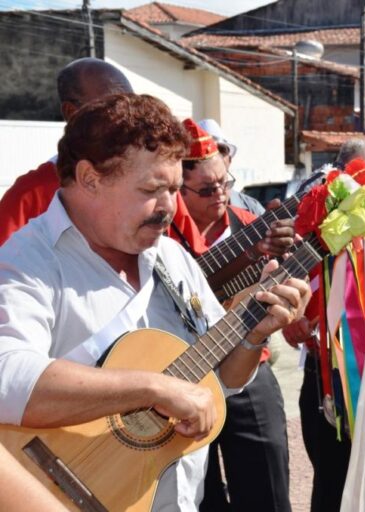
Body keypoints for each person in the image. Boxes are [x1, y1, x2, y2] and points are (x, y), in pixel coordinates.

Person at [0, 93, 310, 510]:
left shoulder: (171, 258)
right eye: (151, 189)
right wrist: (153, 388)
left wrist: (251, 335)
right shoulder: (25, 261)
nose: (168, 208)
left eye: (175, 190)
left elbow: (218, 381)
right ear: (90, 178)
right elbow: (7, 376)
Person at [282, 137, 365, 511]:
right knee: (331, 486)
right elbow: (289, 293)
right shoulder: (312, 230)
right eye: (356, 179)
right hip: (326, 380)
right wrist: (292, 320)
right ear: (337, 179)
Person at [178, 119, 294, 512]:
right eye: (208, 189)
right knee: (199, 491)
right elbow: (190, 290)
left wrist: (287, 270)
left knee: (269, 479)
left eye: (226, 184)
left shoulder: (249, 222)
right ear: (179, 189)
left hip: (249, 362)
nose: (221, 195)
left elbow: (285, 293)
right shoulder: (163, 234)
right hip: (185, 370)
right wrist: (249, 254)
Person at [0, 57, 207, 255]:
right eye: (110, 106)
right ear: (72, 112)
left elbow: (198, 259)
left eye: (130, 105)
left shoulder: (161, 186)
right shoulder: (29, 196)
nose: (127, 117)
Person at [197, 118, 266, 216]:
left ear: (229, 160)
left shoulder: (252, 208)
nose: (215, 156)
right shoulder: (175, 210)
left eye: (221, 150)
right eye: (206, 151)